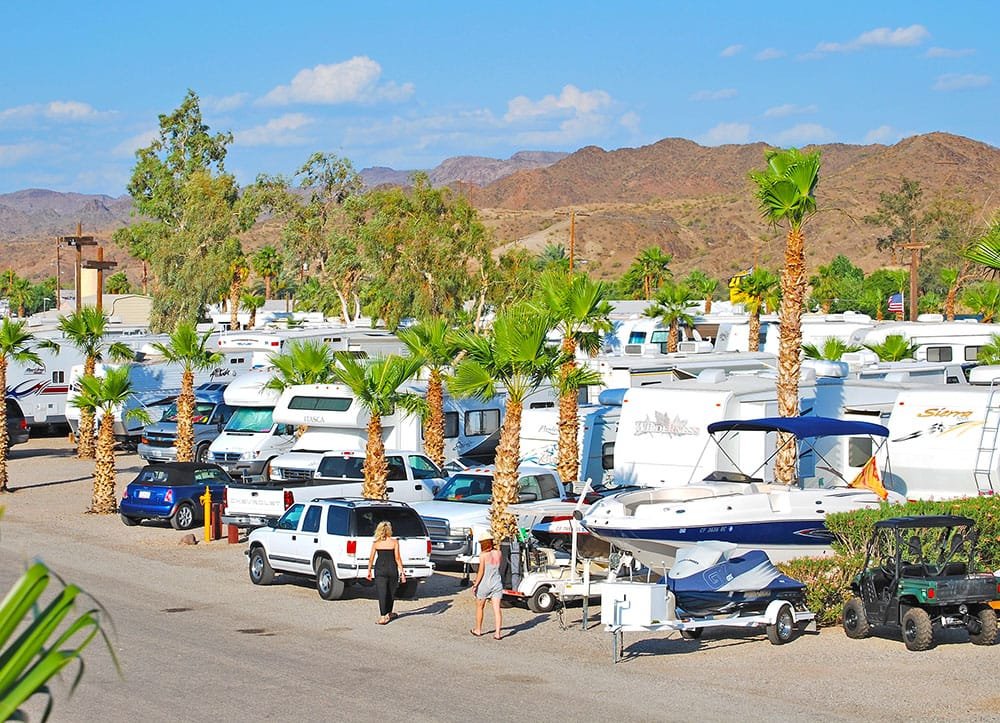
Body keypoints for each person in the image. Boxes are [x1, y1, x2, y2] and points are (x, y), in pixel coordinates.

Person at [367, 521, 405, 625]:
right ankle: (389, 612)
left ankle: (383, 616)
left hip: (380, 569)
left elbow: (371, 559)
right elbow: (397, 558)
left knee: (382, 592)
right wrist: (402, 572)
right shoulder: (394, 542)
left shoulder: (376, 543)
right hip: (392, 569)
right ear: (389, 530)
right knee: (391, 592)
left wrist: (369, 571)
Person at [470, 536, 504, 640]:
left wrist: (475, 584)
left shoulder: (483, 555)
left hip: (484, 584)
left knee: (480, 607)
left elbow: (481, 571)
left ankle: (478, 629)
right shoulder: (499, 553)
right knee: (497, 609)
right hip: (497, 583)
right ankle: (498, 633)